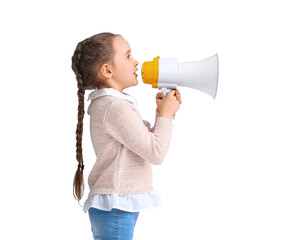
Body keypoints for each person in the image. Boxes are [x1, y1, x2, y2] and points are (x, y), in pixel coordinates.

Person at [71, 32, 182, 240]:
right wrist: (166, 114)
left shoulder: (113, 105)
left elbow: (144, 139)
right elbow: (155, 152)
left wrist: (162, 112)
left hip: (116, 206)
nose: (136, 62)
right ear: (107, 70)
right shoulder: (114, 107)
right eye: (128, 56)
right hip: (115, 206)